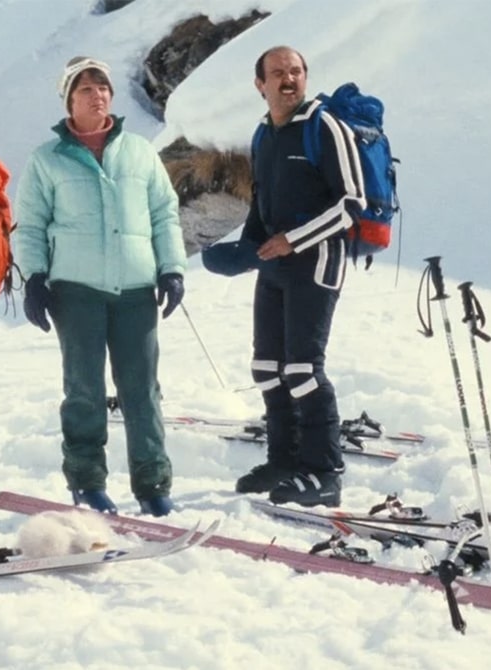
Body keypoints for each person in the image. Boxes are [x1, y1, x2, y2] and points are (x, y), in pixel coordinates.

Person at [13, 56, 186, 517]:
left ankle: (153, 485)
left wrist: (172, 268)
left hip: (135, 289)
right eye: (85, 88)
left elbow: (164, 213)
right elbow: (29, 225)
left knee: (142, 390)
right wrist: (34, 277)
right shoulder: (47, 160)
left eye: (103, 86)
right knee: (84, 388)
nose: (97, 94)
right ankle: (87, 482)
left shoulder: (140, 151)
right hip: (77, 290)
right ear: (69, 100)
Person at [214, 46, 365, 507]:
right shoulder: (264, 134)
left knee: (302, 368)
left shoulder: (325, 127)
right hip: (276, 265)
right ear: (259, 84)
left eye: (295, 71)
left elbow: (350, 204)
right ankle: (284, 459)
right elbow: (262, 203)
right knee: (267, 367)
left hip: (317, 262)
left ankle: (325, 472)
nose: (288, 79)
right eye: (277, 73)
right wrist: (246, 250)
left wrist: (293, 240)